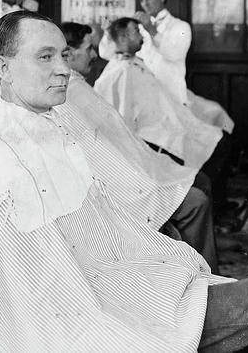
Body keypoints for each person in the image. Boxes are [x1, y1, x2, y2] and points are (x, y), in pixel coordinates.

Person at [0, 11, 248, 352]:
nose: (64, 68)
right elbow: (24, 288)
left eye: (63, 55)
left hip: (124, 283)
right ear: (2, 68)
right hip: (89, 313)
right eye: (45, 57)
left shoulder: (51, 126)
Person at [61, 21, 219, 271]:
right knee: (196, 198)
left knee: (198, 181)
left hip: (134, 162)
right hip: (119, 182)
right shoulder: (69, 92)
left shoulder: (78, 85)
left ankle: (200, 269)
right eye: (90, 48)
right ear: (68, 54)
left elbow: (117, 133)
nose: (95, 54)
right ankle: (203, 276)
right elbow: (102, 150)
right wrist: (145, 178)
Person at [95, 17, 222, 171]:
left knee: (215, 139)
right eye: (136, 32)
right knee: (216, 145)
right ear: (123, 38)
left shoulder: (135, 62)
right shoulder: (123, 70)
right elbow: (123, 117)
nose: (142, 36)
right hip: (152, 136)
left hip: (165, 124)